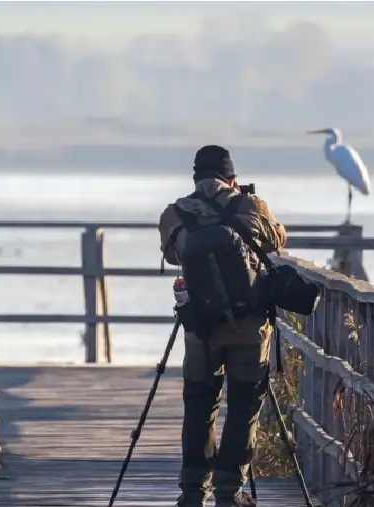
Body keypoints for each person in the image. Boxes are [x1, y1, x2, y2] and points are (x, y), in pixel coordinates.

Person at [158, 145, 288, 507]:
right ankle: (230, 493)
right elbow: (278, 238)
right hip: (249, 324)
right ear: (231, 177)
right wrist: (250, 206)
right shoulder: (250, 206)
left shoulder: (175, 212)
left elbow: (172, 255)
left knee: (200, 403)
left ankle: (191, 492)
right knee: (244, 403)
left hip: (200, 325)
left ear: (196, 177)